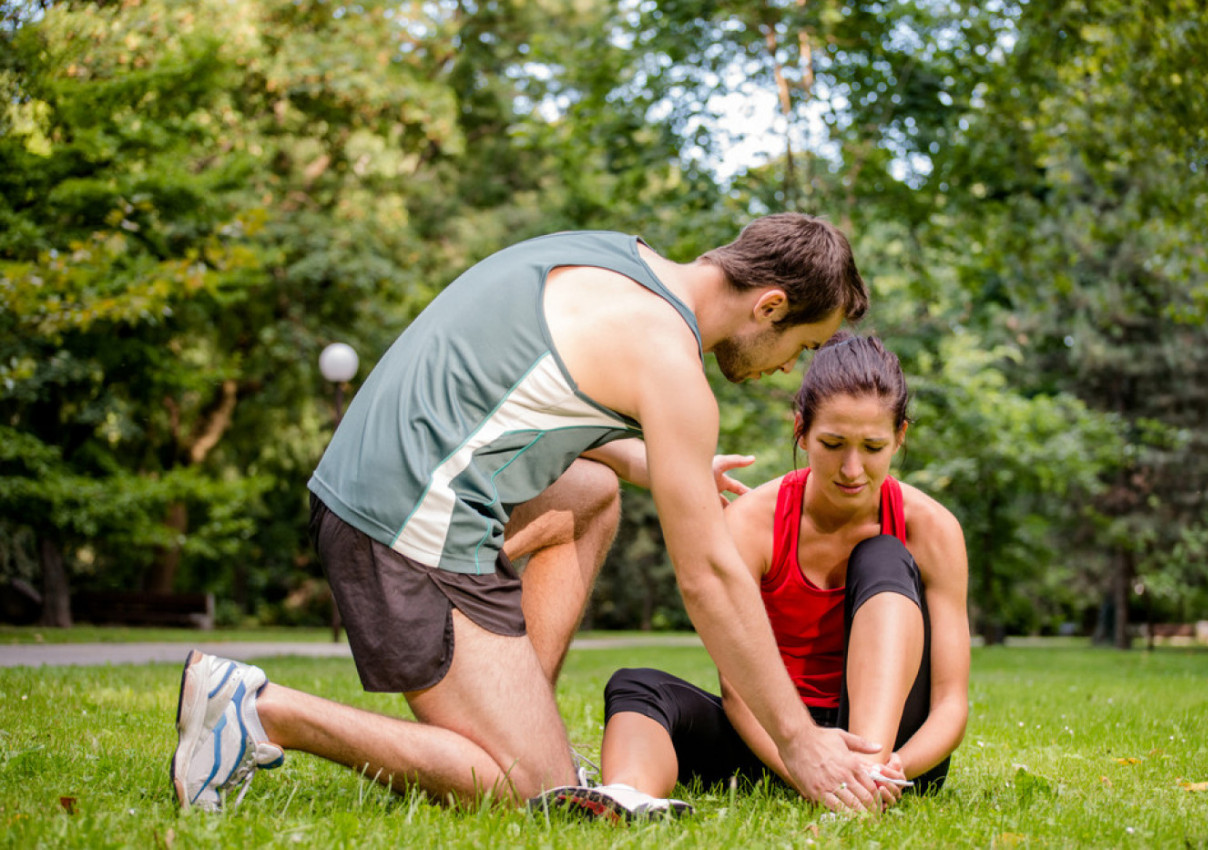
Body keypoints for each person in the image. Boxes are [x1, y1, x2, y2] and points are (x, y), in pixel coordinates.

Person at [169, 213, 885, 814]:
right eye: (804, 345)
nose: (790, 366)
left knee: (590, 494)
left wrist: (643, 460)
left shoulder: (610, 256)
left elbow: (508, 388)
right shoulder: (669, 360)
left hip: (370, 488)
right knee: (528, 791)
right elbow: (708, 578)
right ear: (768, 307)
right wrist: (800, 742)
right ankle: (258, 710)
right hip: (401, 526)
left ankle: (517, 719)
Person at [576, 334, 970, 816]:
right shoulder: (752, 523)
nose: (852, 468)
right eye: (832, 443)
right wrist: (808, 769)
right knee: (636, 685)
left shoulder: (931, 528)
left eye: (873, 447)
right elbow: (738, 692)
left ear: (900, 436)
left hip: (892, 753)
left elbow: (951, 701)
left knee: (883, 555)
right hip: (780, 738)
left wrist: (891, 769)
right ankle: (629, 797)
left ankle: (862, 780)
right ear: (802, 431)